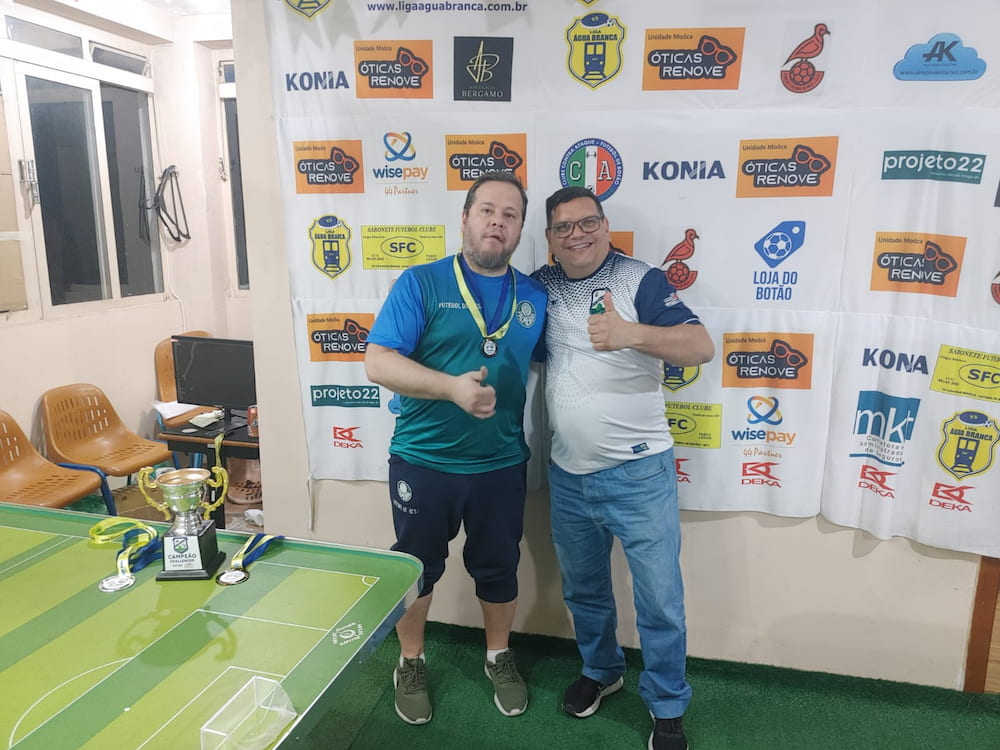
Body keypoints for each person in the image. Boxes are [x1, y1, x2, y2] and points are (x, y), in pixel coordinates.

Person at [532, 186, 714, 750]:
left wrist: (629, 333)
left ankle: (667, 705)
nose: (577, 234)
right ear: (550, 237)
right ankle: (602, 670)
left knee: (660, 601)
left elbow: (700, 346)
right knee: (584, 590)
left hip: (639, 477)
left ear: (605, 226)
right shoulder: (539, 287)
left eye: (587, 222)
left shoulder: (641, 280)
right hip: (567, 476)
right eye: (563, 227)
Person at [364, 171, 547, 726]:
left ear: (520, 229)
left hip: (501, 464)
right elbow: (378, 362)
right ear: (465, 218)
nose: (498, 222)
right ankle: (410, 662)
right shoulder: (421, 283)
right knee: (416, 568)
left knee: (499, 567)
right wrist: (451, 388)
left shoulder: (534, 296)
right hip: (424, 461)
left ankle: (498, 656)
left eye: (510, 215)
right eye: (487, 210)